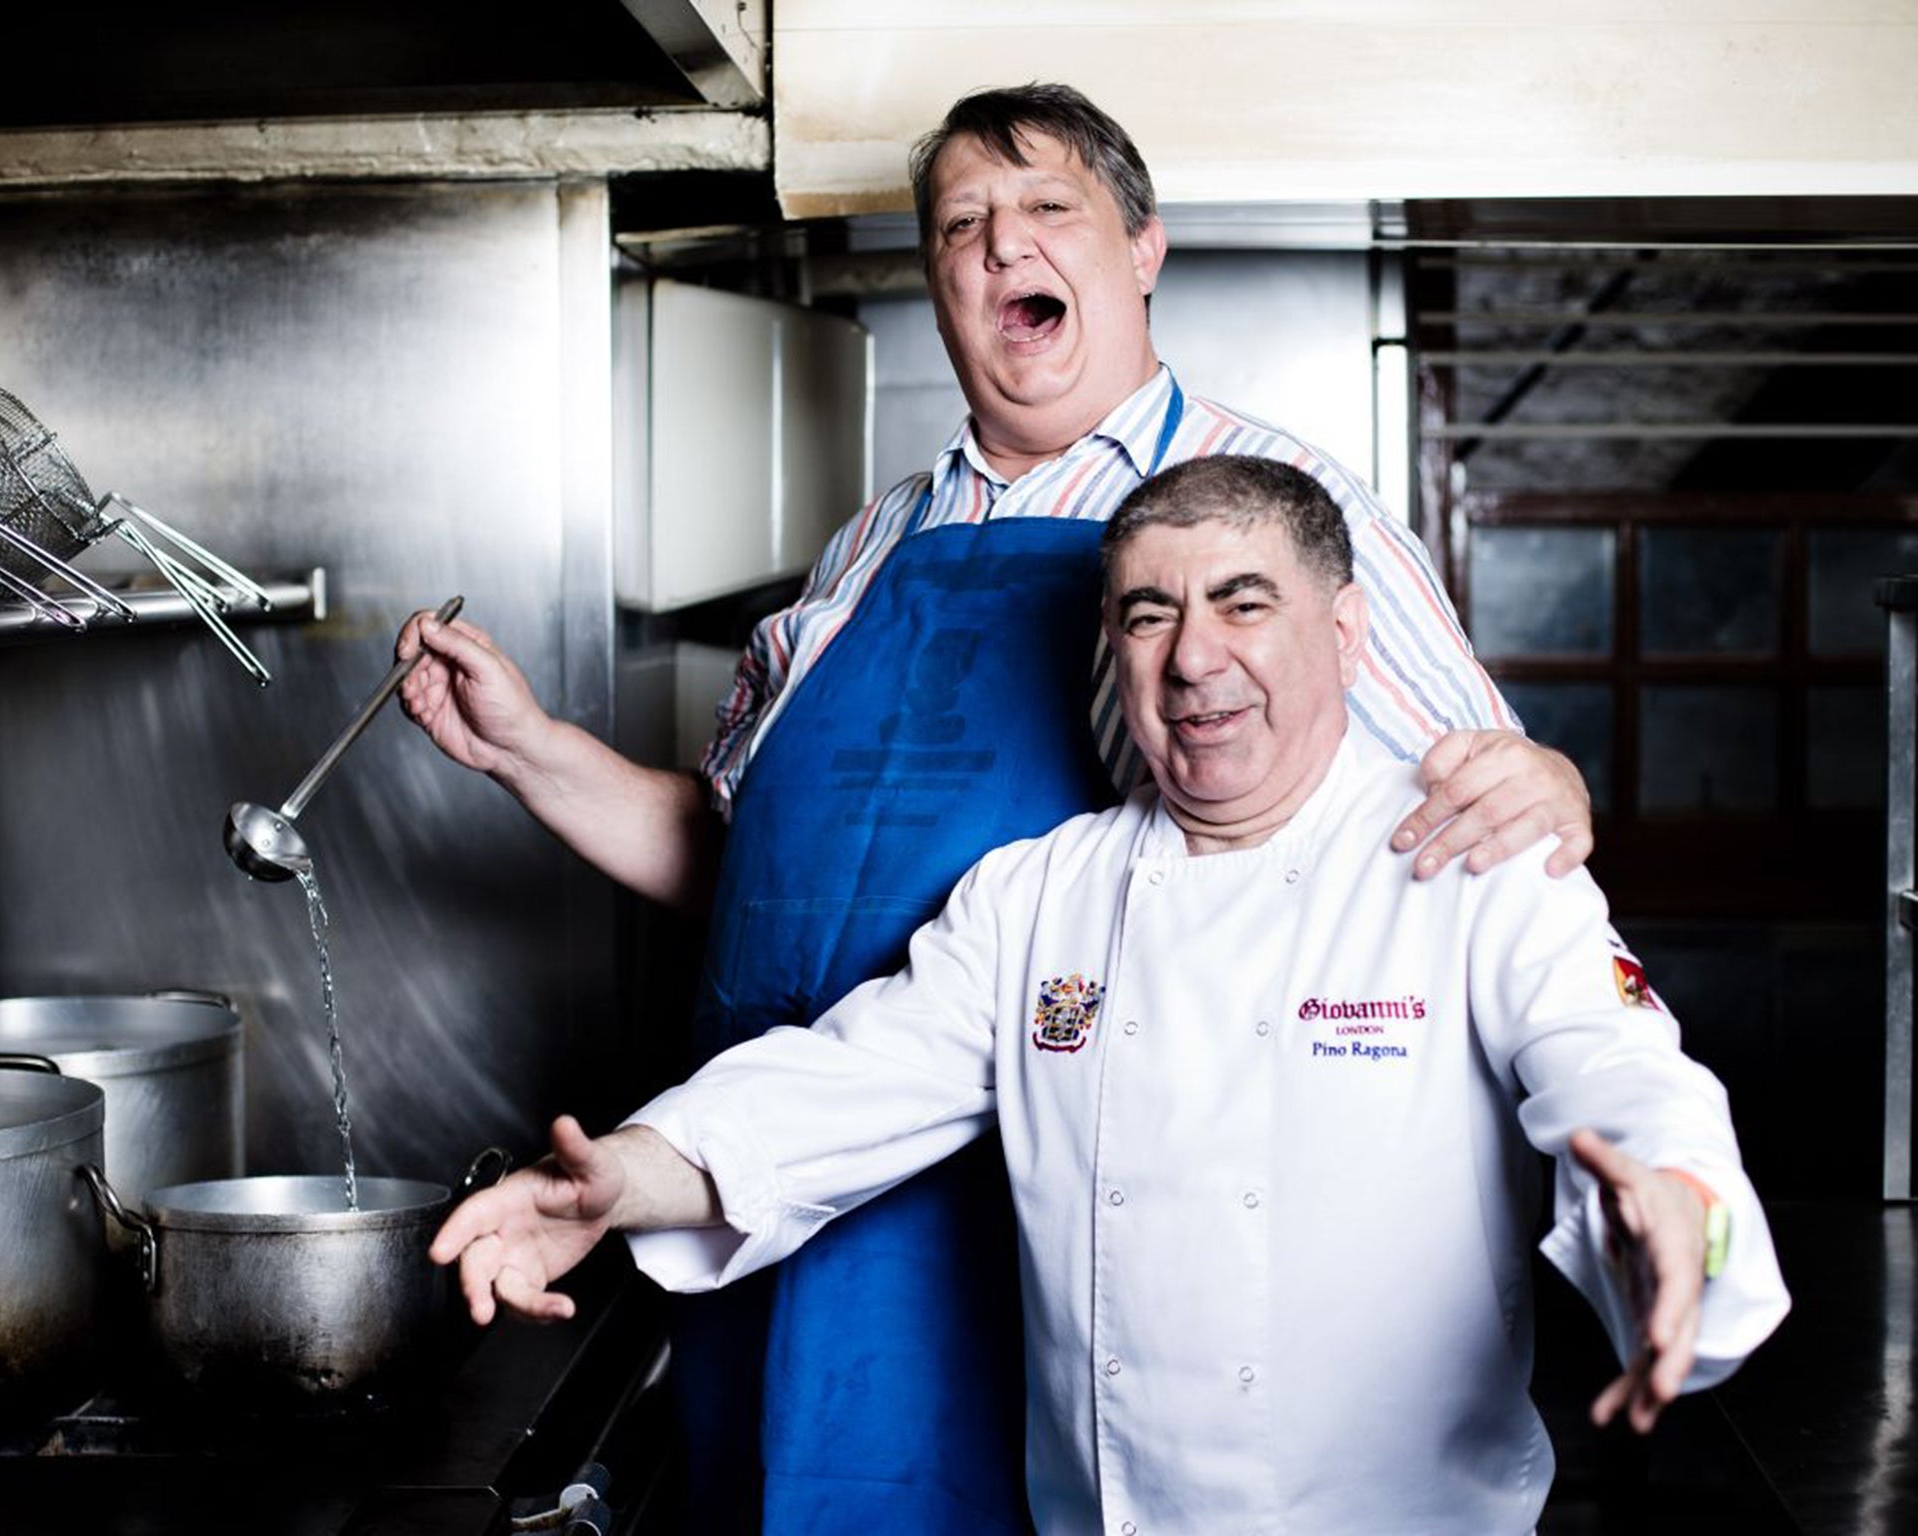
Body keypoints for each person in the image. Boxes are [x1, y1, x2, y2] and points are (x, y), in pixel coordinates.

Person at [399, 82, 1595, 1533]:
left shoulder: (1275, 509)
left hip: (1050, 1224)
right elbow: (739, 859)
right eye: (962, 223)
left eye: (1047, 210)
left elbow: (1490, 826)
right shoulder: (867, 544)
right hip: (780, 1175)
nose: (999, 244)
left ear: (1141, 249)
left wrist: (1551, 782)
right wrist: (527, 750)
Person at [428, 455, 1790, 1536]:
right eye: (1150, 613)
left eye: (1244, 603)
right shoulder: (1042, 897)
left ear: (1348, 630)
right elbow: (827, 1089)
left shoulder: (1471, 866)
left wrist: (1682, 1216)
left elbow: (1624, 1077)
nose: (1194, 658)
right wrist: (611, 1180)